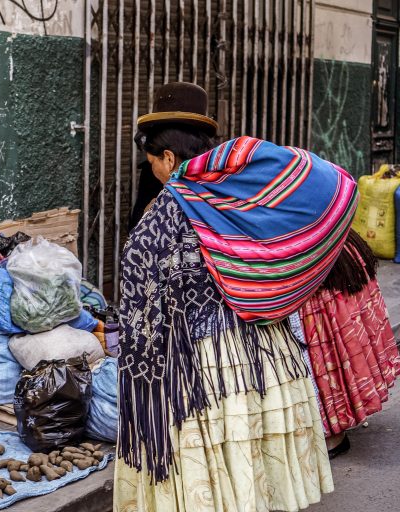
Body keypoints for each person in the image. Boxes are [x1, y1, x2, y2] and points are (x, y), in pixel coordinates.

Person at [115, 82, 352, 512]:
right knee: (256, 475)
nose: (153, 171)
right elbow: (331, 183)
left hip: (207, 368)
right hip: (269, 356)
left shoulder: (166, 211)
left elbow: (143, 302)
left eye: (152, 162)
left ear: (168, 158)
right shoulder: (245, 196)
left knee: (216, 477)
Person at [298, 229, 400, 458]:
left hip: (317, 265)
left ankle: (333, 432)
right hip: (326, 250)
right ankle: (331, 427)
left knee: (323, 354)